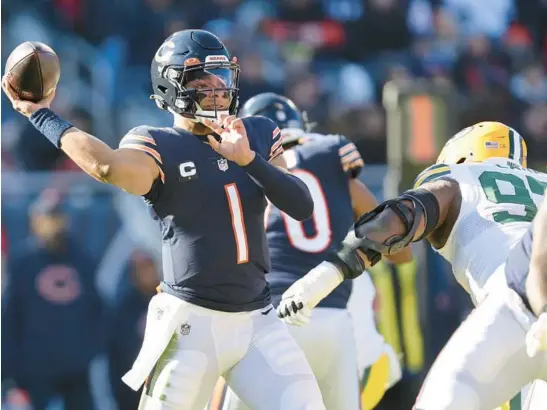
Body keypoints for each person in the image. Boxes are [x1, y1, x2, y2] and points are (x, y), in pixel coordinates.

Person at [3, 30, 325, 410]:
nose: (216, 90)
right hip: (191, 325)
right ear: (171, 87)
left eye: (219, 78)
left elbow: (301, 205)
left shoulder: (255, 131)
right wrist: (38, 113)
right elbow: (106, 165)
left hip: (259, 321)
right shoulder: (156, 142)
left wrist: (248, 160)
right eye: (201, 81)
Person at [276, 122, 547, 409]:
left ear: (461, 156)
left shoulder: (459, 176)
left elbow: (395, 221)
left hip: (515, 302)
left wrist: (324, 276)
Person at [218, 92, 411, 410]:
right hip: (333, 321)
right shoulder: (330, 159)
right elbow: (402, 252)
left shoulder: (241, 175)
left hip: (271, 321)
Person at [1, 189, 104, 410]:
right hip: (36, 370)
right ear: (35, 220)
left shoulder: (82, 260)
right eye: (47, 217)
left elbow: (97, 310)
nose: (53, 223)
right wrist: (9, 375)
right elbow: (10, 318)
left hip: (76, 367)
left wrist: (90, 349)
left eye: (57, 217)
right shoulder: (22, 264)